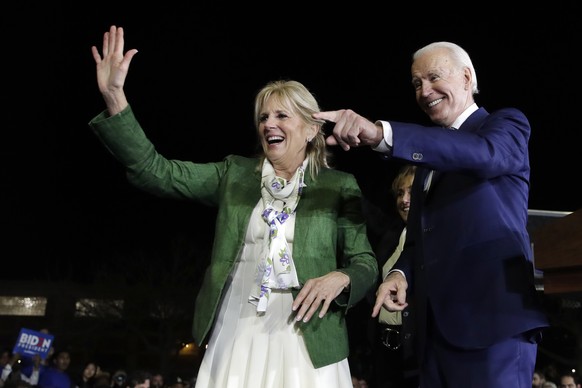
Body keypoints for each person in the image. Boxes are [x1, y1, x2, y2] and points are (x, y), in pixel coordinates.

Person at [89, 25, 378, 388]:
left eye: (281, 116)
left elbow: (365, 262)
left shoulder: (339, 186)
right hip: (238, 326)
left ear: (310, 130)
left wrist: (342, 277)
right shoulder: (235, 175)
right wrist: (115, 97)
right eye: (263, 117)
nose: (268, 124)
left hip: (311, 333)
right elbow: (156, 171)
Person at [313, 41, 549, 386]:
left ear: (467, 77)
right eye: (416, 84)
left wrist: (382, 134)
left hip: (492, 327)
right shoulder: (425, 166)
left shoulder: (505, 127)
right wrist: (399, 274)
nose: (425, 91)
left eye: (434, 77)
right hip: (431, 336)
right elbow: (421, 237)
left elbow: (483, 156)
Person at [371, 164, 418, 388]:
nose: (404, 200)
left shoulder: (442, 238)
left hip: (420, 354)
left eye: (411, 191)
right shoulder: (390, 234)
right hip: (385, 350)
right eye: (400, 193)